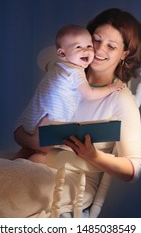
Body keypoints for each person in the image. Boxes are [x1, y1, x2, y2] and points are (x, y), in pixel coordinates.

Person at [0, 8, 141, 218]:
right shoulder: (63, 77)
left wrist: (93, 155)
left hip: (70, 180)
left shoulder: (121, 99)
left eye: (111, 46)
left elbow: (133, 169)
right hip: (34, 164)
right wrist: (38, 142)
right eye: (96, 40)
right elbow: (21, 131)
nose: (99, 50)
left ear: (125, 52)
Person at [14, 24, 124, 162]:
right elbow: (89, 94)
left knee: (30, 154)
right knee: (47, 156)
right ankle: (21, 168)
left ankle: (12, 166)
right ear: (62, 53)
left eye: (89, 46)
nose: (86, 50)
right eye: (78, 47)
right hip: (45, 131)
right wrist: (110, 88)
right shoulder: (75, 72)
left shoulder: (56, 65)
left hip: (26, 126)